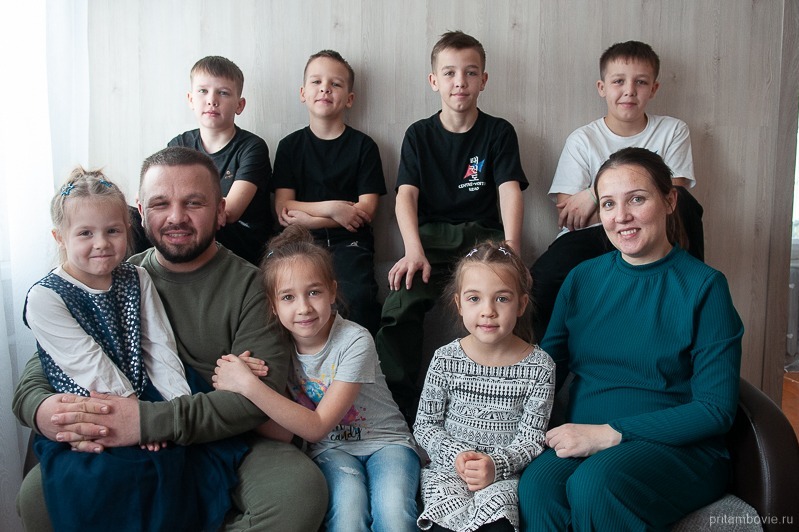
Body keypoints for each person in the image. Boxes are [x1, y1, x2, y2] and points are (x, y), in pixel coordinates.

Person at [13, 146, 328, 532]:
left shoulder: (253, 287)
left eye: (193, 203)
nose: (176, 217)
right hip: (122, 429)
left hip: (226, 435)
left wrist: (147, 421)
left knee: (298, 492)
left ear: (221, 211)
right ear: (140, 213)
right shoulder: (110, 276)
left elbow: (253, 403)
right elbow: (41, 371)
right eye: (161, 203)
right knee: (36, 496)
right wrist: (45, 412)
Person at [518, 147, 743, 530]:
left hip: (678, 447)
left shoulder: (706, 287)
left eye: (636, 199)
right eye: (608, 203)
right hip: (586, 437)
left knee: (596, 483)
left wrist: (611, 434)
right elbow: (544, 371)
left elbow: (715, 410)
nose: (621, 216)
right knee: (538, 486)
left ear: (669, 201)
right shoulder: (581, 279)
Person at [23, 167, 249, 531]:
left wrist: (170, 411)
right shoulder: (45, 296)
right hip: (92, 406)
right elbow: (88, 364)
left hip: (146, 392)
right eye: (85, 233)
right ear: (60, 237)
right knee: (112, 476)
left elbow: (159, 346)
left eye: (112, 231)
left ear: (128, 230)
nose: (101, 243)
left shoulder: (136, 276)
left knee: (177, 461)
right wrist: (134, 419)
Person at [213, 224, 422, 532]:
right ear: (273, 305)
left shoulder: (355, 340)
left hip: (386, 442)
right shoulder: (278, 349)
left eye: (314, 292)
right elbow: (284, 433)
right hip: (331, 451)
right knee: (348, 516)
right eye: (288, 297)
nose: (304, 308)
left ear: (332, 291)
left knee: (393, 515)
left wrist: (248, 386)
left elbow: (316, 425)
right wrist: (238, 388)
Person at [376, 31, 528, 424]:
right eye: (449, 73)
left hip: (483, 241)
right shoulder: (419, 134)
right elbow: (405, 196)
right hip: (430, 241)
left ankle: (516, 401)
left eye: (470, 72)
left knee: (514, 301)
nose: (460, 81)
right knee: (400, 303)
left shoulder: (498, 132)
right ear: (434, 81)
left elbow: (509, 190)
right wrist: (412, 249)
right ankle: (397, 405)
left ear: (483, 80)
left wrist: (512, 246)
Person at [530, 40, 705, 342]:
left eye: (641, 82)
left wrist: (595, 196)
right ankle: (547, 361)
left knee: (686, 203)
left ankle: (695, 292)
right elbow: (570, 214)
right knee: (540, 280)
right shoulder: (583, 140)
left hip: (651, 231)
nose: (629, 91)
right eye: (618, 81)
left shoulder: (672, 130)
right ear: (602, 87)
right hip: (595, 235)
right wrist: (633, 200)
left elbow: (673, 197)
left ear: (654, 89)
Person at [414, 240, 554, 532]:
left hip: (503, 476)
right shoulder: (446, 359)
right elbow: (425, 425)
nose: (488, 311)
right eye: (474, 298)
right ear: (459, 304)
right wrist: (457, 456)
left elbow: (531, 439)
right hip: (448, 471)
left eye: (501, 298)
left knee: (498, 525)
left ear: (521, 304)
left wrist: (496, 465)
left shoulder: (540, 367)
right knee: (442, 523)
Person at [271, 50, 386, 335]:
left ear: (349, 98)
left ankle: (361, 359)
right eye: (316, 82)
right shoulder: (290, 146)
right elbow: (284, 207)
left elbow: (366, 210)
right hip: (298, 240)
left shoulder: (364, 146)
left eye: (335, 83)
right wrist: (333, 209)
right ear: (303, 93)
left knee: (358, 298)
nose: (325, 88)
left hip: (349, 242)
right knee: (281, 297)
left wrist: (310, 218)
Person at [168, 55, 274, 265]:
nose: (212, 100)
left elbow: (229, 212)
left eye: (223, 93)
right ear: (190, 99)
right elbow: (163, 196)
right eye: (203, 91)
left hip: (241, 245)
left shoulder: (252, 147)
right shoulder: (179, 145)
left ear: (239, 105)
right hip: (191, 235)